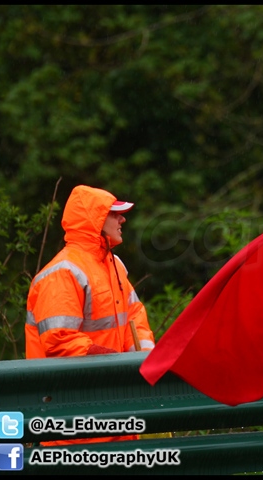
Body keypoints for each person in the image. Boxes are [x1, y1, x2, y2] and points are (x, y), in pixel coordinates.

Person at [25, 185, 155, 444]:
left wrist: (147, 362)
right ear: (95, 220)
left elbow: (135, 319)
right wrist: (118, 364)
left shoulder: (114, 265)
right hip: (74, 421)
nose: (122, 219)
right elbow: (60, 341)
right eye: (114, 214)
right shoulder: (63, 273)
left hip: (115, 411)